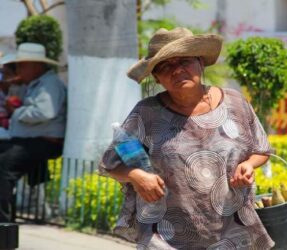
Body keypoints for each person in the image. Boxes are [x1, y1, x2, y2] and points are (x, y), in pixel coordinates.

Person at [99, 27, 274, 249]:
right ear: (156, 78)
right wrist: (137, 176)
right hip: (165, 236)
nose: (176, 70)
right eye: (165, 66)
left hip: (232, 231)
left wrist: (249, 165)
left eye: (184, 61)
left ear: (200, 62)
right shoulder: (146, 114)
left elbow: (261, 149)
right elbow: (110, 163)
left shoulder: (236, 103)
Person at [0, 43, 66, 222]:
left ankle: (4, 222)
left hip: (44, 142)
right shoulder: (35, 83)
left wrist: (16, 112)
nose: (19, 69)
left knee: (4, 170)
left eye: (22, 65)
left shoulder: (49, 84)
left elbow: (45, 112)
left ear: (36, 65)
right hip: (31, 140)